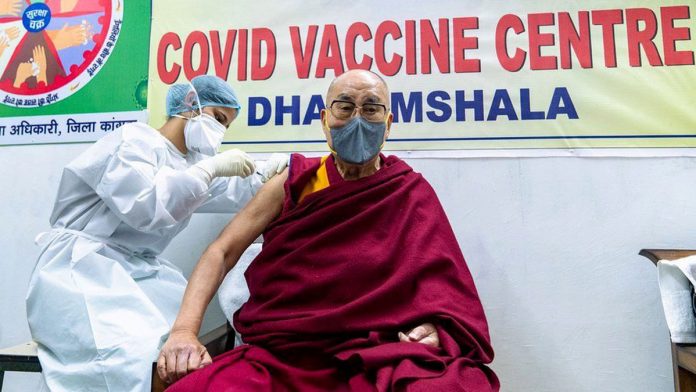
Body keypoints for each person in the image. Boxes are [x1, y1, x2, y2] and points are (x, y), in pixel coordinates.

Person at [158, 70, 499, 391]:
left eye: (371, 109)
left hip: (380, 353)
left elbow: (445, 291)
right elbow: (222, 251)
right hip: (286, 355)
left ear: (389, 123)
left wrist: (434, 330)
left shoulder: (407, 191)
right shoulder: (293, 183)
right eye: (345, 107)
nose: (357, 120)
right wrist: (185, 331)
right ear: (324, 120)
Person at [25, 75, 289, 392]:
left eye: (226, 125)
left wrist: (277, 170)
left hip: (135, 270)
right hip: (80, 270)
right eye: (218, 118)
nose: (219, 131)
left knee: (184, 344)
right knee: (125, 358)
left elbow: (235, 186)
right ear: (191, 105)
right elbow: (145, 207)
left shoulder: (193, 163)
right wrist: (210, 169)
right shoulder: (133, 141)